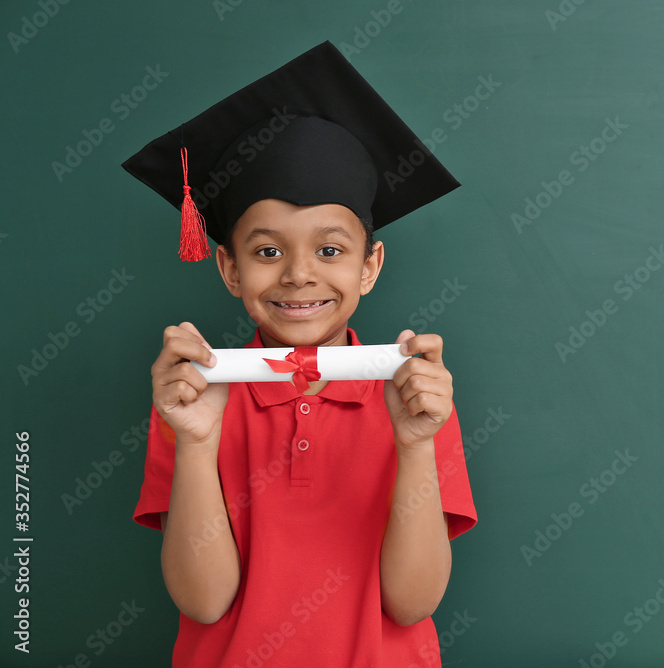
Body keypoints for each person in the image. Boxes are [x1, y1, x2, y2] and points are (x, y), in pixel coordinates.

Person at [123, 41, 476, 667]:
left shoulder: (419, 396)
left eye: (331, 251)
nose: (298, 276)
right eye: (266, 252)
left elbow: (412, 602)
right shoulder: (192, 399)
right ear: (228, 268)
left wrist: (416, 444)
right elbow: (204, 603)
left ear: (370, 267)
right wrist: (198, 444)